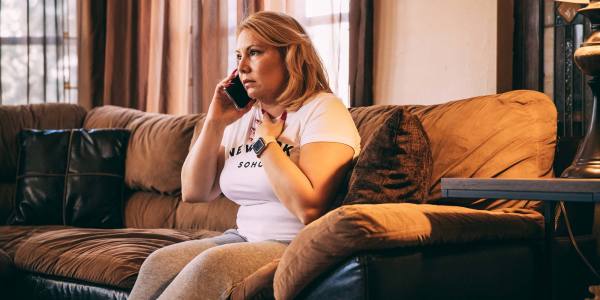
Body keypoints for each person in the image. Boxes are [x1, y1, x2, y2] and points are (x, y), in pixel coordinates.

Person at [128, 11, 360, 300]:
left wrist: (266, 143)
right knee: (159, 262)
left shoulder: (323, 110)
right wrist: (215, 121)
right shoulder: (243, 118)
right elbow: (193, 191)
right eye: (238, 57)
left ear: (289, 55)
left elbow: (309, 209)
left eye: (254, 52)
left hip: (294, 245)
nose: (242, 67)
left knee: (208, 268)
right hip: (242, 237)